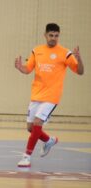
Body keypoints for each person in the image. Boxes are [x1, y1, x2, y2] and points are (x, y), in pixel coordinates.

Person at [14, 23, 84, 167]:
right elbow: (28, 70)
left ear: (59, 36)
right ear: (45, 35)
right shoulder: (37, 51)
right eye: (51, 35)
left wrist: (80, 59)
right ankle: (49, 141)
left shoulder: (65, 53)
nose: (53, 38)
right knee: (30, 128)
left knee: (38, 123)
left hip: (52, 96)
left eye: (56, 36)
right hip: (36, 95)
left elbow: (80, 71)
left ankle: (26, 157)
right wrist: (20, 68)